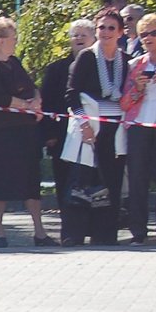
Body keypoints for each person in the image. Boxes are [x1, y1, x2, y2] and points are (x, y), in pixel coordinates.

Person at [0, 16, 53, 247]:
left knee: (31, 181)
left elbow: (31, 87)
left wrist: (37, 101)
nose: (15, 41)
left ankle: (39, 231)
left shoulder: (14, 62)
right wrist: (26, 105)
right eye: (12, 37)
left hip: (25, 133)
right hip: (0, 135)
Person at [66, 7, 133, 245]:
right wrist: (84, 124)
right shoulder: (86, 57)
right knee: (83, 182)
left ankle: (105, 235)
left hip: (116, 130)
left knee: (111, 182)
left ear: (120, 32)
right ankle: (75, 235)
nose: (105, 32)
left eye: (111, 28)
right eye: (101, 27)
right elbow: (71, 94)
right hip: (89, 128)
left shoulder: (126, 61)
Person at [120, 14, 156, 243]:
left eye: (154, 33)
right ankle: (138, 231)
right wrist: (138, 88)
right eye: (143, 34)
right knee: (137, 178)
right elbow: (124, 102)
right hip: (139, 126)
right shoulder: (135, 64)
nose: (148, 38)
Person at [44, 19, 94, 245]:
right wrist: (50, 135)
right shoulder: (56, 69)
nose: (80, 38)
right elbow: (47, 104)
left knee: (93, 185)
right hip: (63, 137)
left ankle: (95, 230)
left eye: (84, 34)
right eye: (75, 35)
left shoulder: (100, 65)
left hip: (95, 134)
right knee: (65, 184)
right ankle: (69, 233)